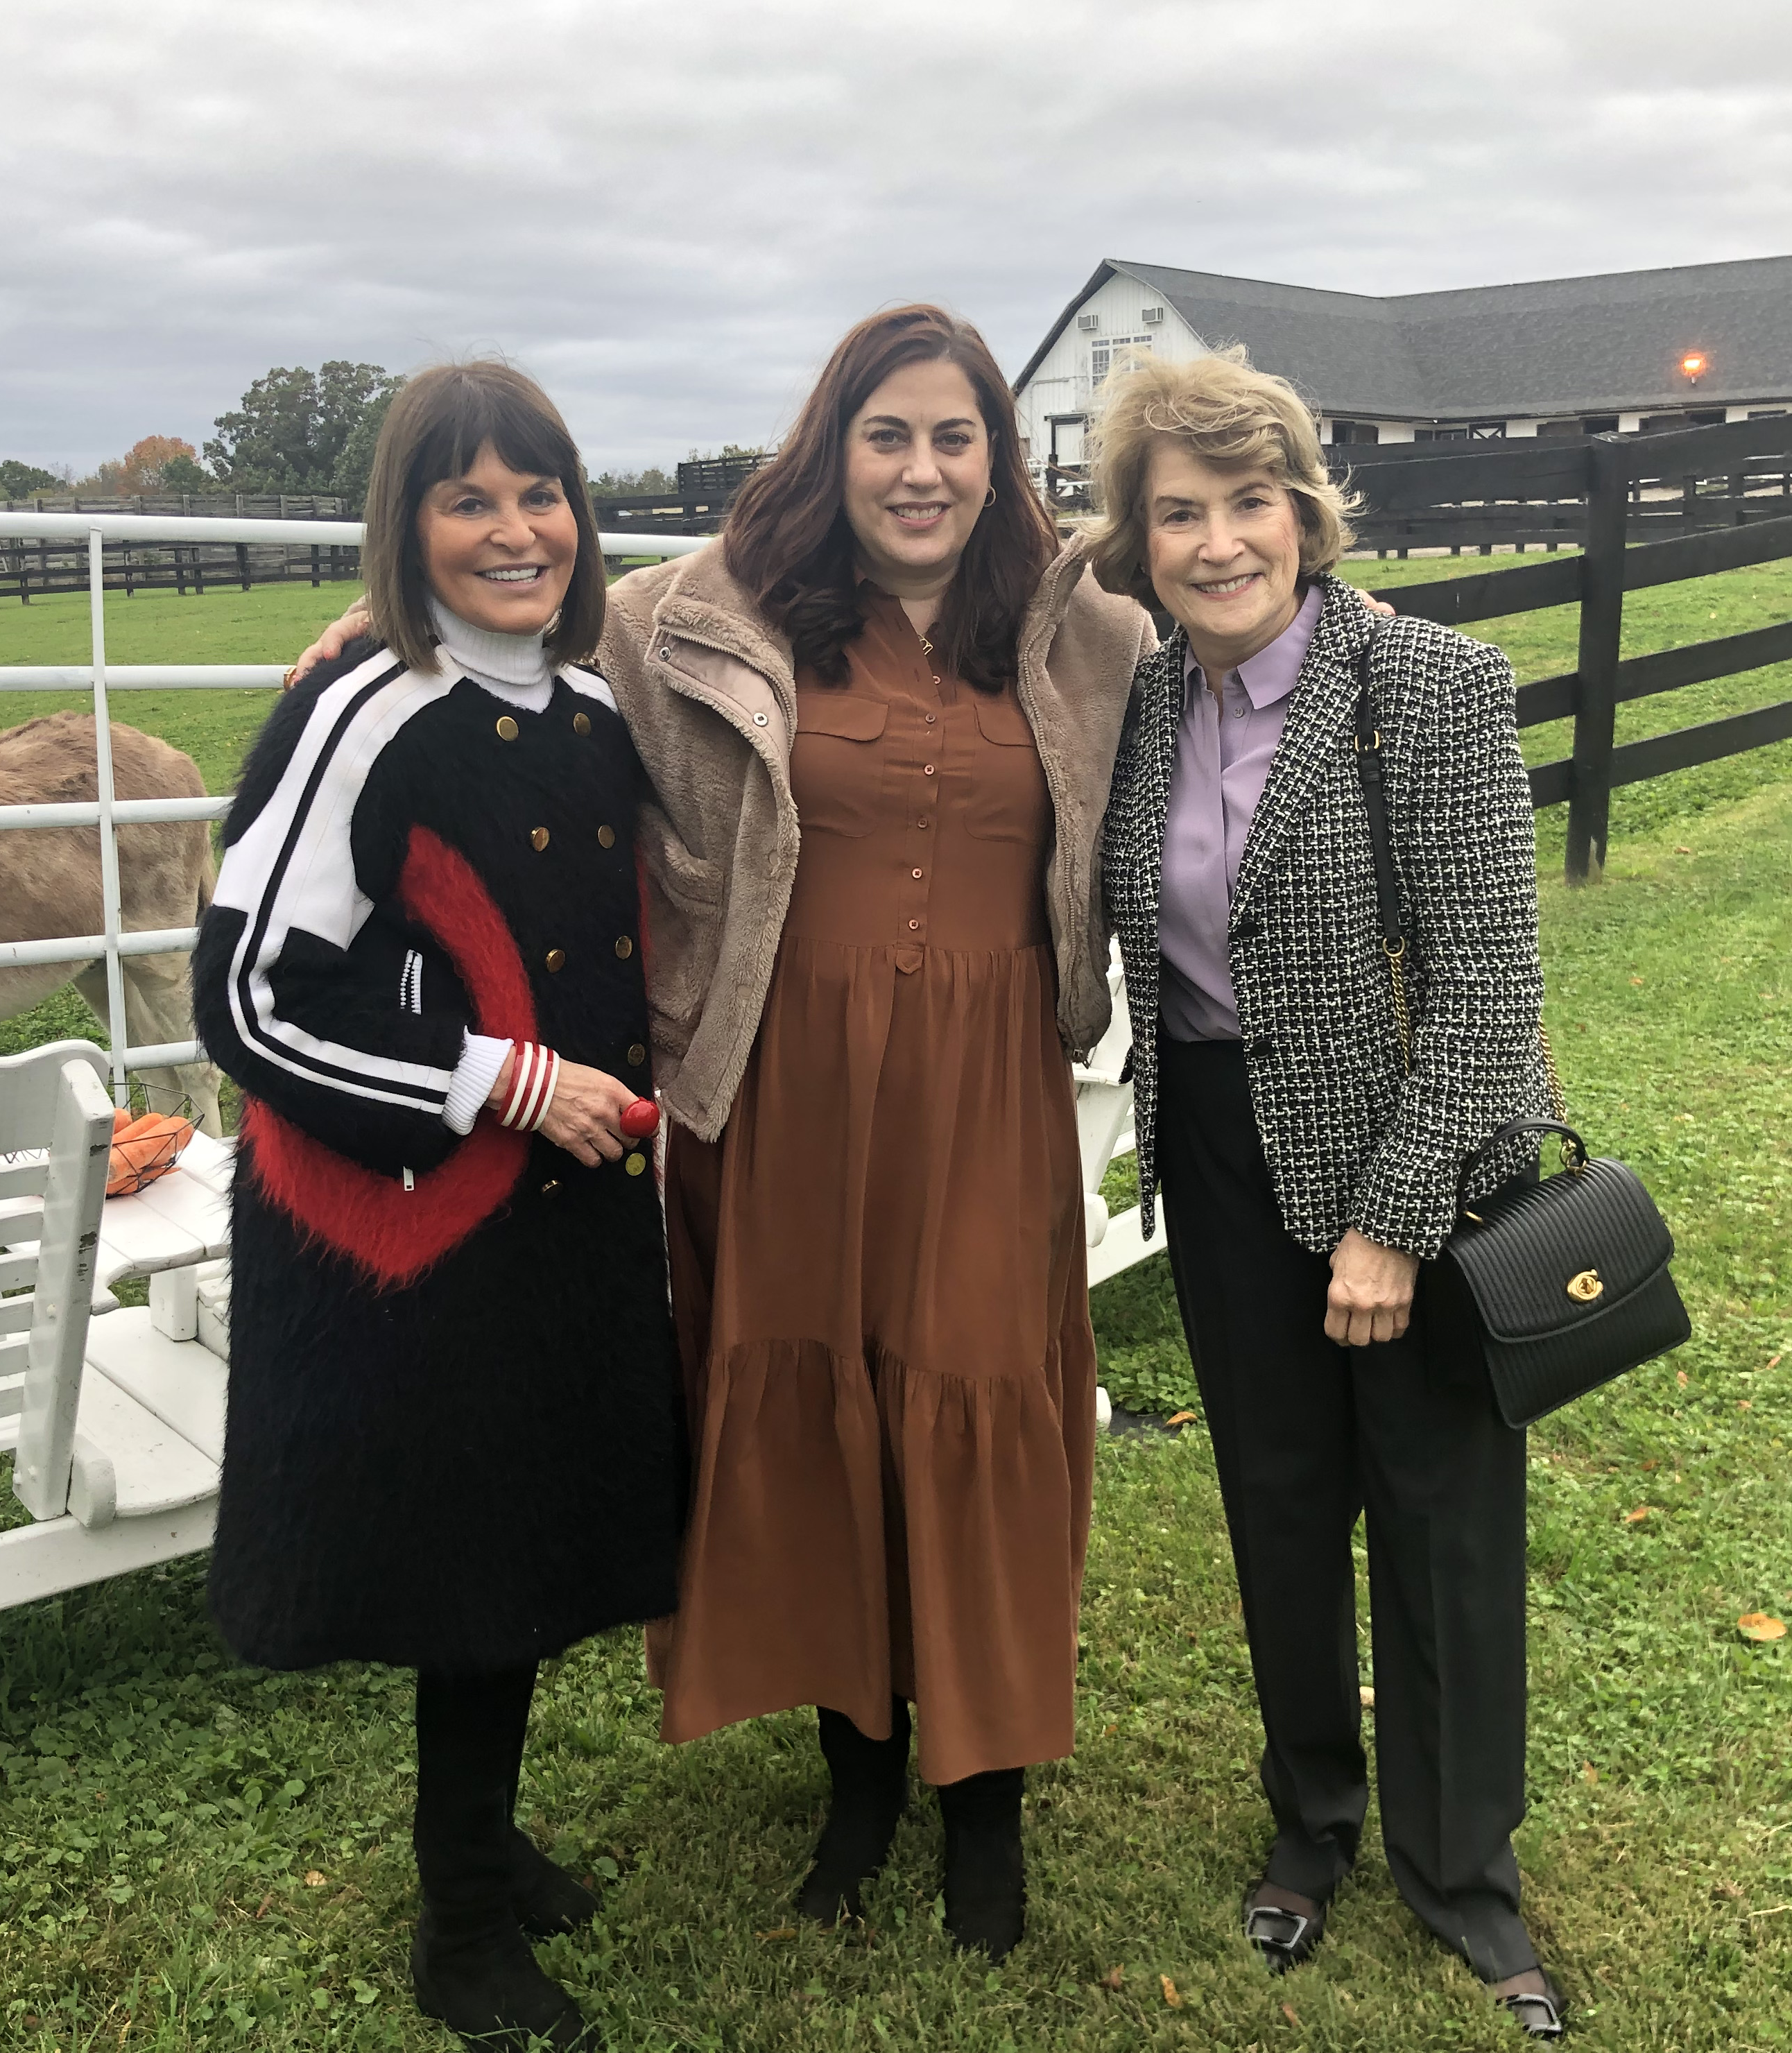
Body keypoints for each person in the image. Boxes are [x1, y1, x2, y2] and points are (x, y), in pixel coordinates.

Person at [288, 307, 1151, 1957]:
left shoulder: (1084, 629)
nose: (920, 471)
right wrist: (376, 631)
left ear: (998, 456)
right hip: (779, 1085)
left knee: (977, 1403)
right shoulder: (705, 613)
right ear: (833, 448)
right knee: (814, 1405)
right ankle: (859, 1776)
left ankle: (986, 1802)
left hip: (987, 1094)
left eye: (954, 436)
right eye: (887, 435)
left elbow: (1254, 610)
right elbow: (522, 622)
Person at [191, 361, 683, 2052]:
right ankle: (459, 1924)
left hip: (572, 1221)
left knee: (523, 1539)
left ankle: (483, 1843)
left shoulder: (597, 704)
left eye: (540, 494)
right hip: (429, 1214)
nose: (513, 529)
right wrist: (502, 1082)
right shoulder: (358, 713)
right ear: (405, 527)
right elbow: (248, 993)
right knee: (466, 1561)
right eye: (466, 499)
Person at [1089, 351, 1570, 2040]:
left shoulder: (1427, 683)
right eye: (1179, 512)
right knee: (1279, 1507)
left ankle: (1463, 1872)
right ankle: (1312, 1821)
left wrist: (1392, 1219)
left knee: (1439, 1519)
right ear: (1139, 541)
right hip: (1220, 1157)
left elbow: (1491, 991)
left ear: (1305, 511)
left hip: (1413, 1153)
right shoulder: (1145, 700)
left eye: (1250, 501)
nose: (1219, 542)